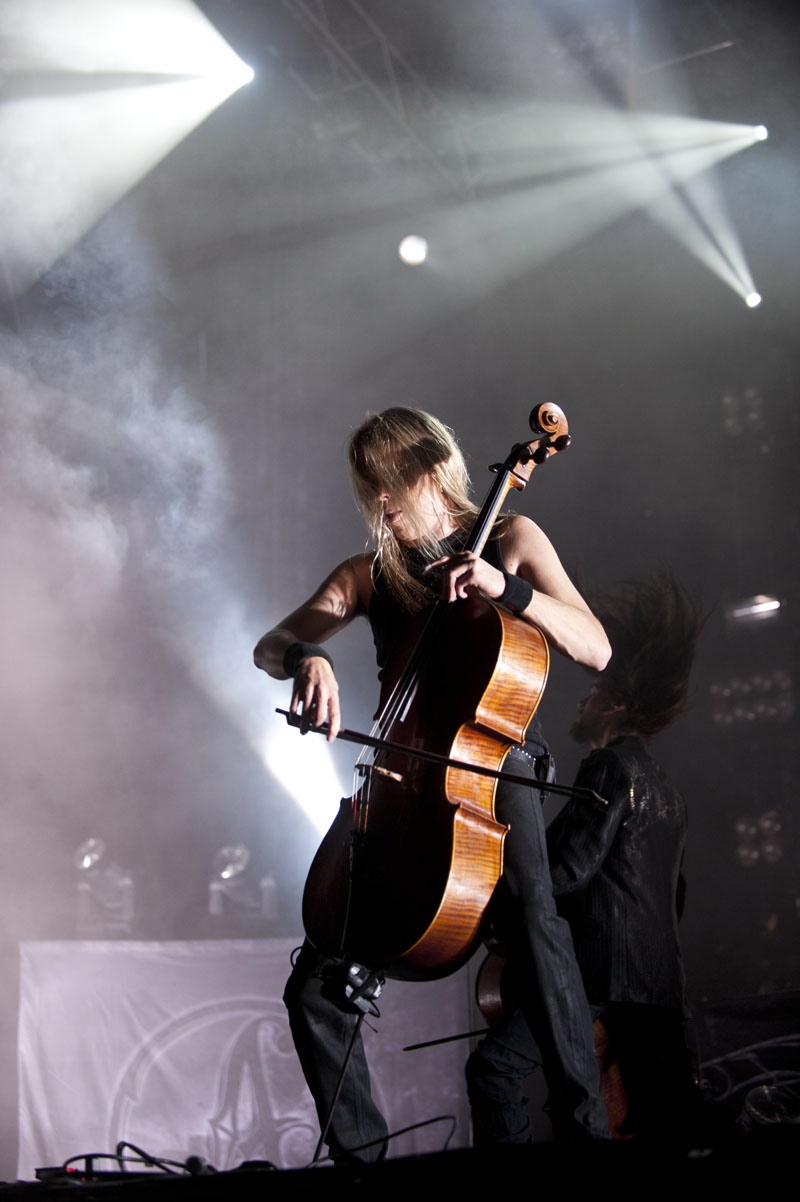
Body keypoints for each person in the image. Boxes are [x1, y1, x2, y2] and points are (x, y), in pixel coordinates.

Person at [253, 406, 611, 1159]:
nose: (379, 501)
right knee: (315, 987)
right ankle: (362, 1162)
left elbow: (595, 647)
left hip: (495, 773)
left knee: (537, 929)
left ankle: (586, 1131)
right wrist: (305, 660)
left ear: (430, 470)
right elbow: (273, 641)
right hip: (404, 781)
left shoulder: (512, 537)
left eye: (389, 482)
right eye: (367, 487)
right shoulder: (368, 574)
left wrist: (502, 589)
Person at [545, 573, 705, 1136]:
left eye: (592, 694)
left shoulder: (609, 767)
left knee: (509, 1071)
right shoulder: (670, 788)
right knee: (664, 1119)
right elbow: (673, 895)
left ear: (612, 705)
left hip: (606, 982)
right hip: (662, 987)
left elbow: (569, 869)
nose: (583, 700)